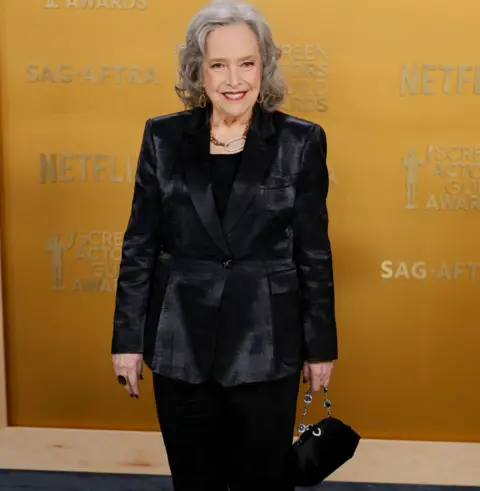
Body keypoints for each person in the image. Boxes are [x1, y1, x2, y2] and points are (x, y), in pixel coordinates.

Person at [111, 1, 338, 490]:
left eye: (246, 63)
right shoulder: (163, 137)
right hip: (179, 344)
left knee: (264, 482)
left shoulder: (301, 142)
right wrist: (127, 340)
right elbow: (140, 243)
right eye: (218, 64)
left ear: (264, 67)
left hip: (267, 343)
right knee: (195, 482)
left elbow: (313, 253)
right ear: (198, 71)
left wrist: (320, 347)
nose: (234, 79)